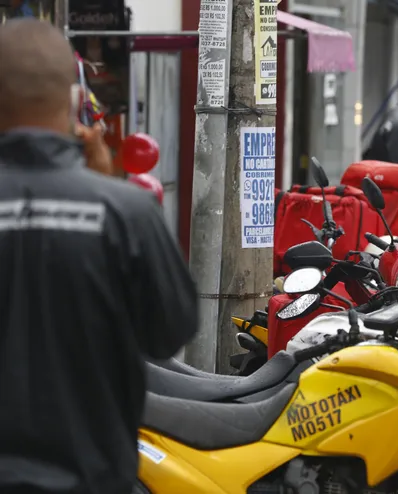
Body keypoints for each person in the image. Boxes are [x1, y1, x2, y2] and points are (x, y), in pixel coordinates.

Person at [0, 19, 197, 494]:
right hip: (93, 477)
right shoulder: (124, 212)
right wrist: (107, 186)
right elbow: (169, 332)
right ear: (74, 101)